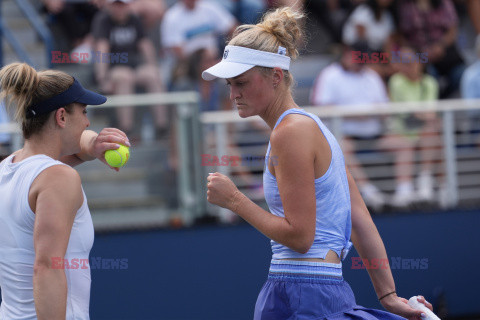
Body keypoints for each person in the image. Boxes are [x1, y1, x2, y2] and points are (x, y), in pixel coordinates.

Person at [203, 7, 433, 319]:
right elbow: (360, 220)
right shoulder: (312, 126)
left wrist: (234, 199)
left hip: (299, 293)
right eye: (230, 84)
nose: (233, 94)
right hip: (320, 292)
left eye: (241, 82)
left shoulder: (290, 133)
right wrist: (388, 295)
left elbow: (300, 237)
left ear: (276, 76)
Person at [0, 62, 130, 319]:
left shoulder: (8, 168)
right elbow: (47, 267)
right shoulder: (59, 177)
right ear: (61, 117)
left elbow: (74, 148)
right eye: (82, 111)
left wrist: (94, 143)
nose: (87, 121)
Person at [92, 0, 167, 139]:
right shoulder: (103, 20)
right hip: (114, 69)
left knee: (153, 75)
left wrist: (154, 66)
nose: (120, 8)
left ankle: (162, 127)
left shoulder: (134, 19)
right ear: (110, 5)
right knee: (124, 77)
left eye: (123, 5)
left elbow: (145, 45)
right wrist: (102, 78)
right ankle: (128, 129)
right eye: (117, 5)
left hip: (134, 66)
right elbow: (101, 49)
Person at [388, 46, 443, 207]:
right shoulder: (396, 81)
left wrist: (426, 115)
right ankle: (407, 190)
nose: (409, 65)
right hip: (401, 132)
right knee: (430, 134)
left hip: (424, 132)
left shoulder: (429, 82)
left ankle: (426, 183)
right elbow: (411, 111)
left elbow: (429, 112)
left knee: (434, 136)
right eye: (404, 62)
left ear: (420, 62)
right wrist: (427, 115)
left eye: (411, 61)